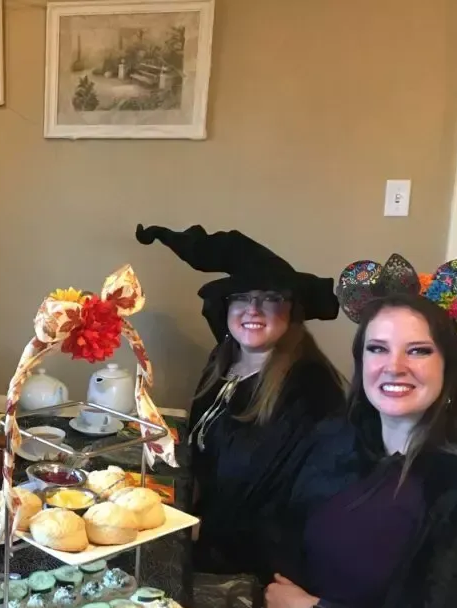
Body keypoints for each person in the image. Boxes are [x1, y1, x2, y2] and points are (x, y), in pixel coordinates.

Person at [262, 254, 457, 608]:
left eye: (418, 351)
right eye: (377, 348)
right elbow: (279, 541)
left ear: (449, 368)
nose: (394, 366)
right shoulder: (331, 443)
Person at [136, 225, 345, 577]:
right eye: (242, 298)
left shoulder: (309, 390)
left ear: (293, 310)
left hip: (250, 565)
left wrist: (201, 530)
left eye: (270, 299)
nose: (254, 310)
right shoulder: (225, 361)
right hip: (199, 529)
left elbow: (297, 504)